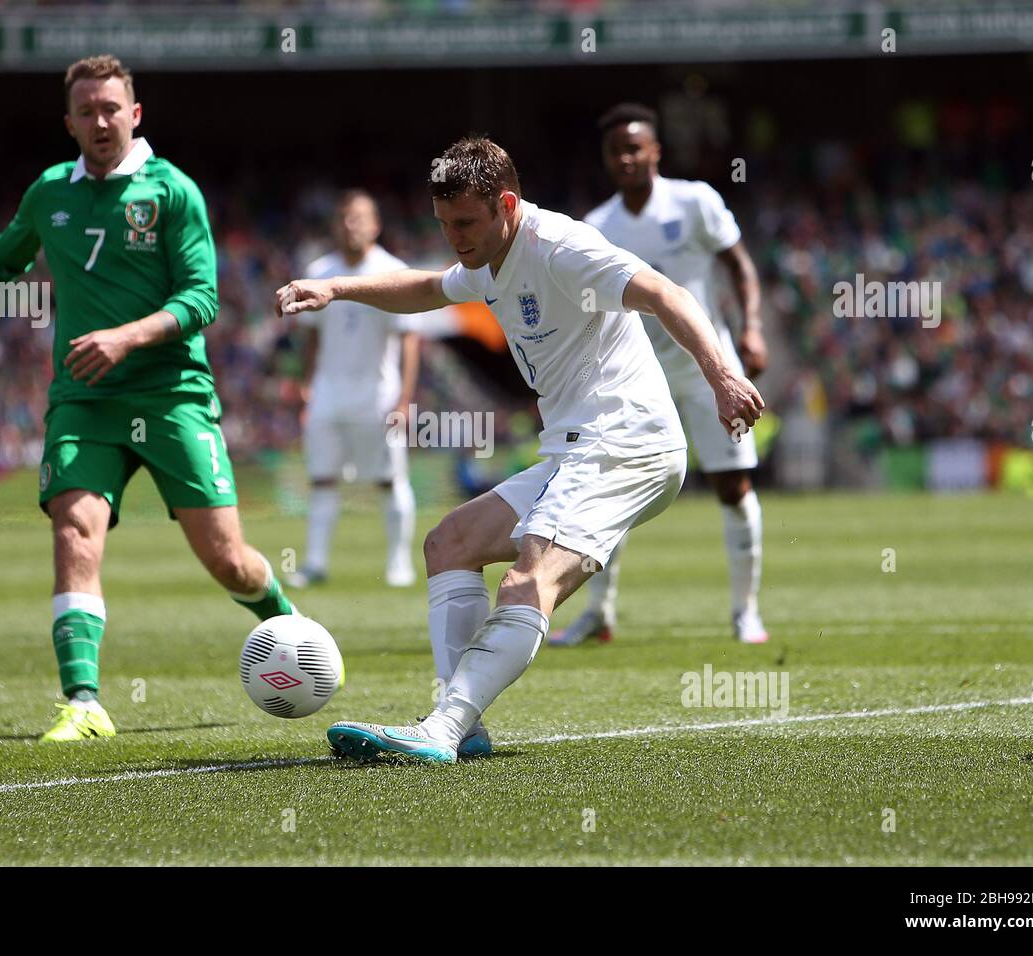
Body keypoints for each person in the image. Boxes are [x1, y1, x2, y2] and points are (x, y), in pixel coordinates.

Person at [275, 137, 763, 763]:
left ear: (507, 204)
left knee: (527, 582)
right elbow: (427, 288)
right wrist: (338, 289)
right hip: (572, 449)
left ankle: (444, 727)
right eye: (444, 224)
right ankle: (463, 726)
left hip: (627, 442)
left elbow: (668, 294)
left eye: (466, 223)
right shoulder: (486, 255)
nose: (455, 237)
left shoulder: (562, 247)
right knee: (449, 544)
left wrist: (722, 377)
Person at [0, 54, 295, 742]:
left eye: (111, 108)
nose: (99, 120)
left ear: (135, 114)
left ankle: (288, 628)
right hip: (84, 400)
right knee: (74, 530)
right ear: (69, 122)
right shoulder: (50, 193)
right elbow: (0, 261)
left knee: (227, 559)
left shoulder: (173, 192)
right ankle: (83, 702)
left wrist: (125, 337)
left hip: (172, 393)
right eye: (85, 111)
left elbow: (203, 299)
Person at [552, 102, 770, 646]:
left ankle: (745, 612)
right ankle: (599, 613)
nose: (626, 158)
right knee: (612, 489)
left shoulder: (695, 201)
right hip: (636, 375)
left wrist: (754, 328)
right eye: (616, 151)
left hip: (708, 367)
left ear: (655, 151)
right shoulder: (598, 226)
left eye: (635, 147)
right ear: (606, 159)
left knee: (733, 484)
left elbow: (739, 265)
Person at [288, 190, 420, 589]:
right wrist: (306, 383)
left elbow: (410, 338)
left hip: (377, 395)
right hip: (328, 392)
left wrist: (404, 400)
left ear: (375, 225)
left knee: (389, 479)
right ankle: (314, 564)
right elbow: (311, 335)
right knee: (322, 478)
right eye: (345, 218)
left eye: (360, 217)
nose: (351, 225)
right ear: (334, 226)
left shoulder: (392, 271)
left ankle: (399, 562)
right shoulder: (318, 270)